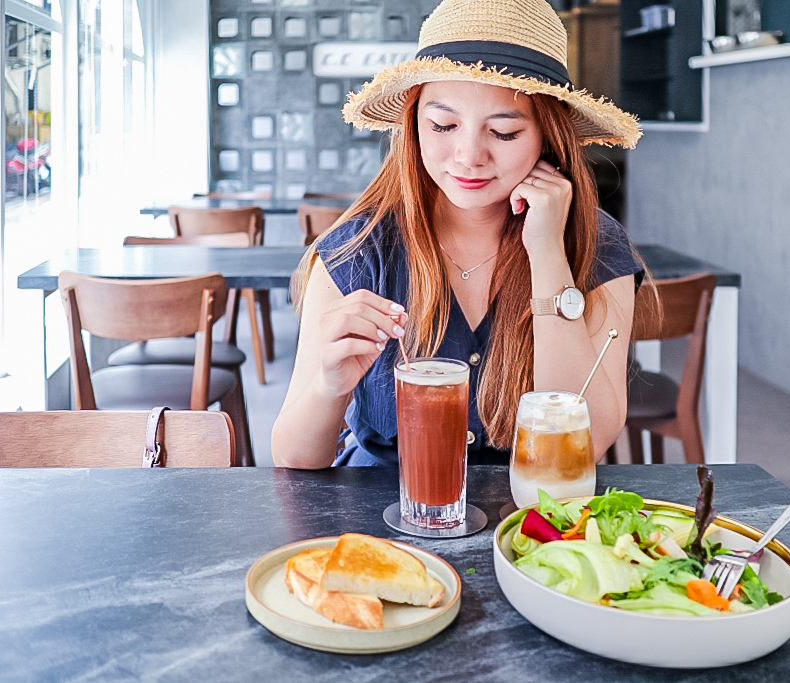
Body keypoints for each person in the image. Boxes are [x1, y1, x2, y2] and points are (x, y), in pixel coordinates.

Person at [272, 0, 646, 468]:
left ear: (548, 137)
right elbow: (292, 457)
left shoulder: (594, 242)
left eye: (505, 132)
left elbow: (587, 441)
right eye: (444, 125)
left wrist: (548, 253)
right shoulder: (360, 248)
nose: (469, 156)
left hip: (528, 520)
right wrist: (330, 386)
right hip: (381, 518)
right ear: (414, 126)